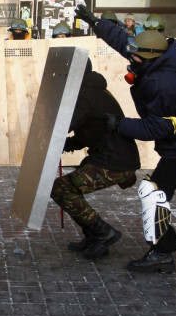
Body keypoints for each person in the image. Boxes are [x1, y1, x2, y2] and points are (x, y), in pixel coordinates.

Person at [76, 4, 176, 273]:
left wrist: (120, 124)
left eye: (135, 57)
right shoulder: (162, 53)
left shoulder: (162, 83)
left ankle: (161, 252)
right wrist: (95, 22)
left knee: (152, 190)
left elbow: (158, 129)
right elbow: (125, 43)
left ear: (148, 59)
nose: (130, 58)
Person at [52, 59, 141, 259]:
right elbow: (87, 134)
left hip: (114, 162)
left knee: (61, 188)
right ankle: (94, 235)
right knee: (67, 188)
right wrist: (66, 145)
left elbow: (63, 124)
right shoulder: (93, 91)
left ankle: (102, 233)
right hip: (113, 157)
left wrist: (52, 130)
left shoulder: (86, 95)